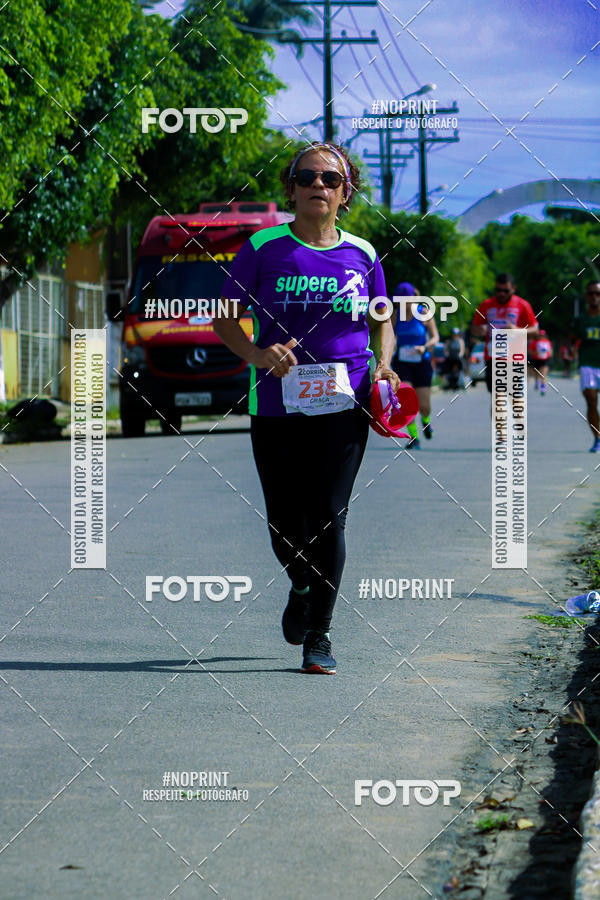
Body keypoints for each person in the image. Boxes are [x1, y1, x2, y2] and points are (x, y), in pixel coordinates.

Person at [214, 142, 399, 673]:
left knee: (328, 516)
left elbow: (381, 319)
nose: (319, 185)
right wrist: (256, 353)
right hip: (276, 403)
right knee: (282, 522)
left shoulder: (363, 254)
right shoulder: (262, 247)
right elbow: (224, 318)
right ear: (290, 189)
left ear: (346, 194)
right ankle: (300, 583)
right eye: (307, 177)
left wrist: (384, 363)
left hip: (347, 400)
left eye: (331, 179)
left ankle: (320, 633)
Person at [471, 274, 538, 438]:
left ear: (513, 289)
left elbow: (535, 330)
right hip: (493, 357)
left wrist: (517, 330)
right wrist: (479, 331)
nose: (501, 294)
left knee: (515, 397)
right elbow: (474, 328)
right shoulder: (486, 305)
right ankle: (501, 434)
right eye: (498, 290)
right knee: (498, 397)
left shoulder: (522, 305)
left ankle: (520, 427)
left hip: (515, 358)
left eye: (505, 291)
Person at [390, 282, 439, 449]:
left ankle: (426, 422)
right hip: (402, 363)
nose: (401, 303)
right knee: (406, 400)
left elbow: (435, 338)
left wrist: (424, 347)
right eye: (398, 300)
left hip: (421, 362)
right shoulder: (396, 315)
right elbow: (390, 336)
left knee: (424, 405)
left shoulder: (423, 313)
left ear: (413, 298)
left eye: (405, 300)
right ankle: (414, 437)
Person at [571, 281, 600, 452]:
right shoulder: (580, 319)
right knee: (591, 401)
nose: (595, 297)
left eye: (598, 293)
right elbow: (573, 337)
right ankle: (597, 438)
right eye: (591, 293)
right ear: (586, 296)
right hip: (587, 365)